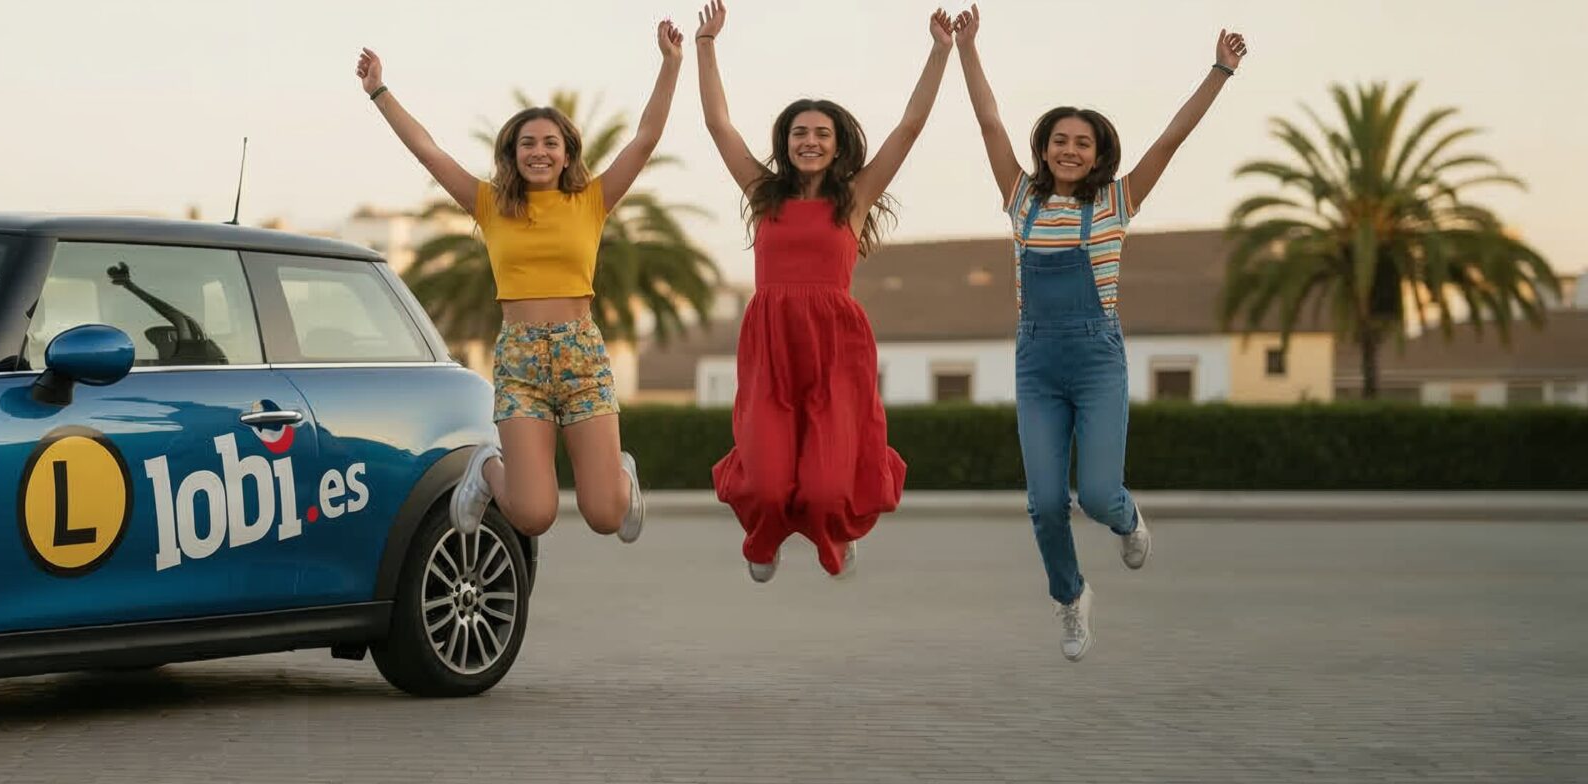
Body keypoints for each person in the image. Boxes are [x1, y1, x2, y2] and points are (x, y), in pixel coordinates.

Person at [951, 4, 1248, 660]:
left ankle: (1128, 518)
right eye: (1060, 139)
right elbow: (989, 120)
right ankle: (1071, 598)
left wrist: (1219, 71)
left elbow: (1172, 138)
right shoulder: (1020, 198)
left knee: (1097, 495)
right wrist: (966, 49)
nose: (1070, 149)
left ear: (1099, 152)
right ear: (1046, 147)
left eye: (1082, 142)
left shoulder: (1118, 202)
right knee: (1045, 501)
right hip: (1036, 360)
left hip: (1096, 358)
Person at [357, 21, 684, 545]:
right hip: (521, 361)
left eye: (550, 143)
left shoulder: (592, 201)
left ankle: (622, 474)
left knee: (605, 515)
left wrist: (670, 65)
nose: (539, 151)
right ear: (511, 153)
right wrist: (379, 91)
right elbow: (430, 152)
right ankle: (489, 467)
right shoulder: (489, 204)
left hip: (582, 356)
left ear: (567, 152)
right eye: (527, 143)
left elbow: (645, 139)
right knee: (533, 516)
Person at [696, 0, 948, 583]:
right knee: (764, 477)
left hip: (835, 345)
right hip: (772, 343)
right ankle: (765, 535)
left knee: (827, 486)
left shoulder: (855, 198)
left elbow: (909, 127)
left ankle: (836, 530)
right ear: (786, 142)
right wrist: (707, 47)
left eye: (822, 133)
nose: (810, 141)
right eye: (800, 133)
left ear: (838, 145)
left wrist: (939, 52)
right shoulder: (764, 194)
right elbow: (718, 125)